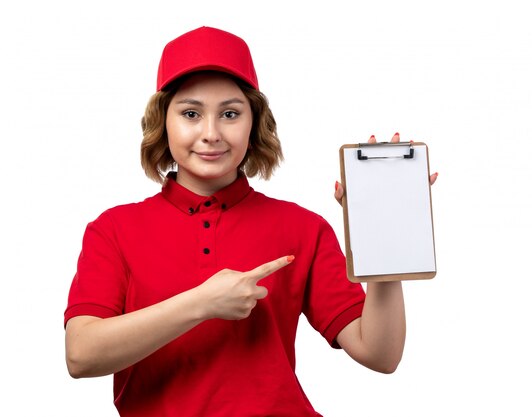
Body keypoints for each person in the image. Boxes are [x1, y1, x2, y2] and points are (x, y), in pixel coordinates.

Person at [64, 26, 437, 417]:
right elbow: (81, 355)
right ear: (163, 121)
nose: (211, 134)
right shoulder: (114, 229)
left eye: (230, 114)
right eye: (191, 113)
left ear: (254, 123)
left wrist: (383, 243)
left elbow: (380, 354)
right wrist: (203, 303)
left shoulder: (301, 228)